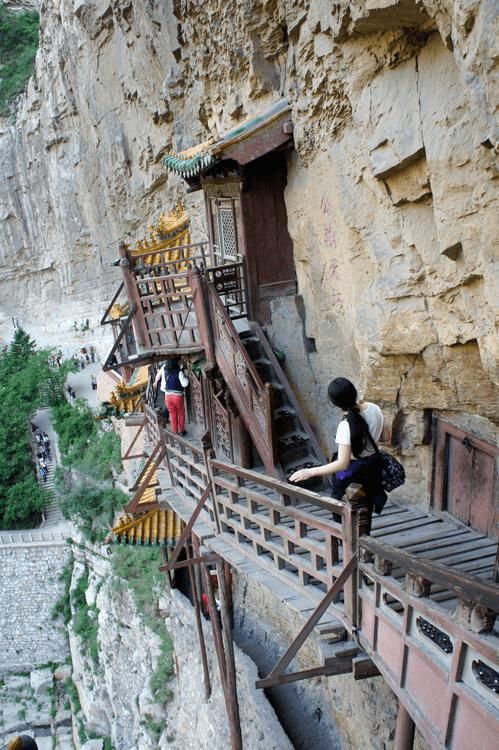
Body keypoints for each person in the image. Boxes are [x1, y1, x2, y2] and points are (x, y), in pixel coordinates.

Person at [289, 377, 390, 533]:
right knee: (366, 505)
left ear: (334, 403)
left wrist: (310, 472)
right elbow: (385, 437)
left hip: (352, 471)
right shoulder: (374, 408)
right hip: (372, 467)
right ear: (354, 392)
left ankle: (349, 542)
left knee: (340, 506)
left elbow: (343, 463)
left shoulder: (345, 425)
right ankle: (364, 540)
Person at [154, 358, 189, 435]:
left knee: (172, 414)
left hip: (168, 396)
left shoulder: (165, 371)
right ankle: (182, 431)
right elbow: (185, 384)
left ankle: (175, 432)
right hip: (177, 396)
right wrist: (186, 378)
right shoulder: (179, 372)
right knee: (181, 413)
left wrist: (156, 382)